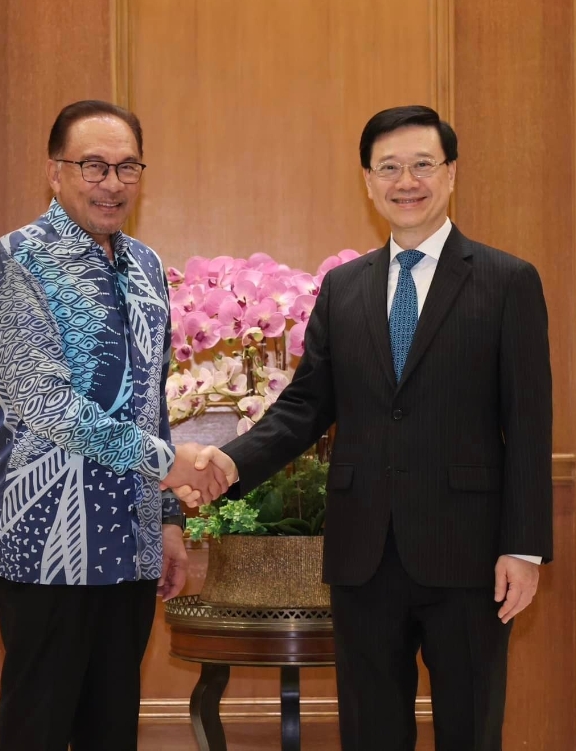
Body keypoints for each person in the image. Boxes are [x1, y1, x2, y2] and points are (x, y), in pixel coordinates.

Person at [188, 105, 553, 751]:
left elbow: (528, 422)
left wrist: (523, 549)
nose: (405, 181)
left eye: (422, 165)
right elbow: (306, 405)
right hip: (364, 556)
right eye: (389, 168)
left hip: (469, 554)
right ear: (367, 181)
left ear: (451, 173)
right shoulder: (344, 288)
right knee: (370, 732)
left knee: (471, 730)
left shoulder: (507, 282)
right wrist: (232, 461)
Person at [0, 99, 229, 751]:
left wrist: (169, 523)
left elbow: (153, 403)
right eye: (93, 165)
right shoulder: (20, 259)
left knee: (112, 731)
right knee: (37, 729)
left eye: (127, 167)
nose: (111, 183)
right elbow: (46, 403)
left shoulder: (146, 267)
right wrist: (167, 464)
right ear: (55, 172)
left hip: (132, 544)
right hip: (46, 544)